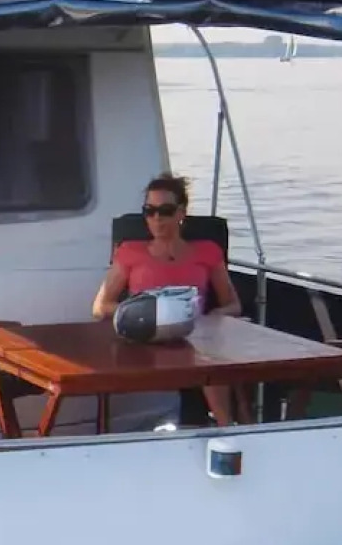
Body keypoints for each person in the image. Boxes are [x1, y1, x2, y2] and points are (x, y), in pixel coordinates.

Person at [92, 172, 244, 424]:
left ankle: (227, 429)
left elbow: (233, 305)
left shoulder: (207, 251)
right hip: (144, 336)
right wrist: (139, 316)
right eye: (149, 211)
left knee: (210, 356)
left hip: (192, 336)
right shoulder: (130, 252)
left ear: (181, 213)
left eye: (165, 210)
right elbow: (100, 306)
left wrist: (209, 318)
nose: (157, 219)